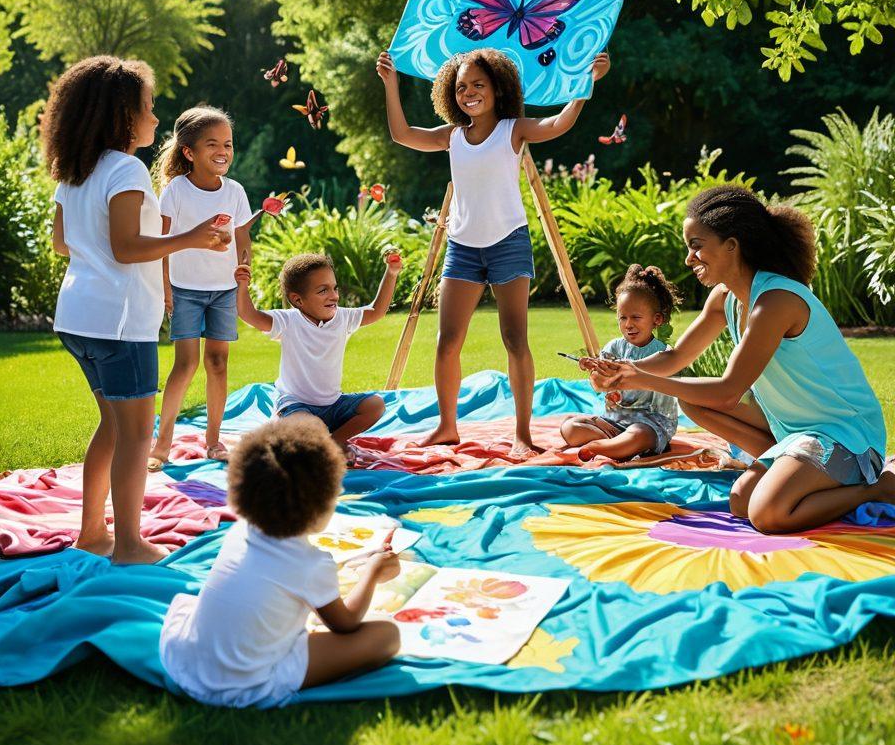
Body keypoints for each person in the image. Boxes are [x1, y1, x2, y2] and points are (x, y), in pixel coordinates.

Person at [591, 185, 895, 532]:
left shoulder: (775, 302)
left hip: (844, 435)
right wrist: (621, 371)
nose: (689, 259)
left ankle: (877, 488)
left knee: (768, 514)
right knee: (740, 501)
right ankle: (785, 460)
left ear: (732, 246)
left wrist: (638, 378)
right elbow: (676, 356)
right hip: (795, 430)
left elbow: (728, 391)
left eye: (697, 246)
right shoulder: (727, 298)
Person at [376, 46, 611, 458]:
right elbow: (402, 134)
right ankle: (447, 427)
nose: (469, 92)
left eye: (478, 84)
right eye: (462, 86)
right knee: (447, 341)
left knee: (514, 338)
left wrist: (586, 85)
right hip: (463, 248)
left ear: (498, 89)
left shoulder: (513, 130)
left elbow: (558, 124)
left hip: (508, 243)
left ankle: (523, 433)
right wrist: (391, 84)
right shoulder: (452, 137)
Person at [44, 56, 228, 564]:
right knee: (135, 434)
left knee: (112, 426)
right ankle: (128, 543)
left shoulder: (75, 170)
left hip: (79, 318)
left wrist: (101, 248)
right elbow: (126, 247)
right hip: (120, 324)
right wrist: (189, 237)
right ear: (124, 116)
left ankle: (91, 533)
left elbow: (63, 243)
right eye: (148, 109)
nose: (154, 118)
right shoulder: (125, 169)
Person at [159, 415, 401, 706]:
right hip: (244, 683)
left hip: (190, 664)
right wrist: (372, 573)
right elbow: (346, 624)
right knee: (386, 633)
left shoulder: (241, 531)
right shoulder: (309, 564)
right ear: (317, 505)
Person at [148, 107, 253, 469]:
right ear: (189, 152)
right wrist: (166, 289)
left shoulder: (235, 191)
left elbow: (243, 237)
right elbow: (161, 243)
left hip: (223, 290)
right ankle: (162, 444)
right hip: (185, 289)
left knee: (218, 362)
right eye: (213, 144)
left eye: (228, 143)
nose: (223, 150)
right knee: (186, 363)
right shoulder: (175, 190)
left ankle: (213, 440)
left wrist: (244, 269)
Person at [234, 251, 402, 448]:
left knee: (375, 405)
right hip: (296, 408)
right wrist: (242, 284)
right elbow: (248, 314)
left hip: (333, 405)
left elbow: (377, 311)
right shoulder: (288, 321)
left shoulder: (343, 318)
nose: (334, 296)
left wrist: (391, 273)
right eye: (323, 291)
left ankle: (334, 443)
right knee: (312, 427)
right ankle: (320, 441)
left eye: (334, 288)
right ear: (298, 300)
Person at [562, 264, 680, 461]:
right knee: (570, 426)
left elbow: (661, 393)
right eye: (622, 318)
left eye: (636, 317)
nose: (628, 324)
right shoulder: (613, 348)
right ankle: (615, 445)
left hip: (649, 424)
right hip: (615, 421)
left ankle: (605, 446)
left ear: (657, 319)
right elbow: (599, 384)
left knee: (638, 434)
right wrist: (594, 369)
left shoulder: (662, 354)